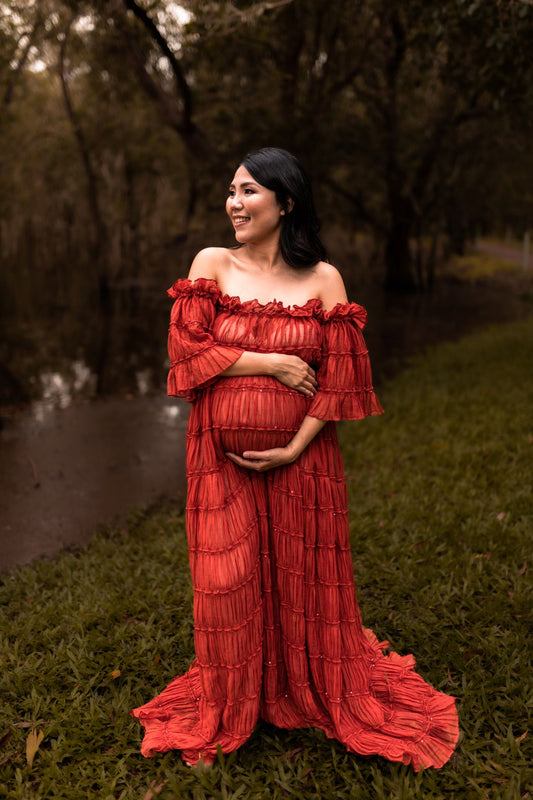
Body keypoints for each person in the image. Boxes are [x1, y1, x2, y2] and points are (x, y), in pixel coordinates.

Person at [131, 147, 459, 770]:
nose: (234, 203)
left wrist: (294, 445)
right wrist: (270, 362)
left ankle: (301, 686)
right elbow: (185, 352)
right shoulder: (211, 264)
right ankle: (235, 698)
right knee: (229, 582)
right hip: (218, 461)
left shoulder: (323, 279)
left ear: (285, 201)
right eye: (231, 191)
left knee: (295, 576)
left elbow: (341, 380)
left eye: (249, 191)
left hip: (303, 462)